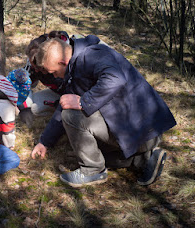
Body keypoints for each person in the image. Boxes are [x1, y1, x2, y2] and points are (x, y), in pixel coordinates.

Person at [31, 35, 176, 187]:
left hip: (144, 133)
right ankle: (144, 160)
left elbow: (115, 79)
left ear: (63, 62)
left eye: (53, 72)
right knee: (84, 150)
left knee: (71, 117)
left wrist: (83, 101)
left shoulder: (93, 55)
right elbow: (65, 104)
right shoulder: (76, 64)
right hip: (140, 134)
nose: (54, 76)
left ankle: (93, 171)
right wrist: (44, 142)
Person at [19, 31, 80, 127]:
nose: (37, 71)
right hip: (58, 94)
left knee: (69, 114)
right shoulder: (33, 65)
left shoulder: (71, 60)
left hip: (78, 98)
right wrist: (24, 108)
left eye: (40, 68)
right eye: (34, 67)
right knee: (34, 108)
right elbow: (22, 83)